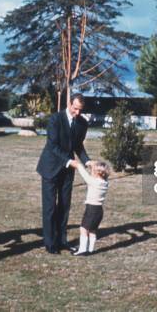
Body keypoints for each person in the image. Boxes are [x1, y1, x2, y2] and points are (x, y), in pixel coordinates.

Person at [36, 93, 91, 254]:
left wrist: (87, 161)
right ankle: (50, 243)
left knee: (64, 206)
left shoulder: (82, 123)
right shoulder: (55, 119)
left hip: (68, 171)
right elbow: (53, 146)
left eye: (80, 110)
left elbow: (78, 146)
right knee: (50, 207)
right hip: (50, 168)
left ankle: (62, 241)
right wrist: (69, 161)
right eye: (75, 109)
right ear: (68, 104)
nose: (78, 113)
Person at [73, 161, 110, 256]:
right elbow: (94, 175)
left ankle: (82, 250)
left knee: (83, 229)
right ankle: (90, 250)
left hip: (91, 210)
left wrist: (78, 165)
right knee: (93, 230)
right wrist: (93, 167)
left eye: (94, 170)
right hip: (99, 210)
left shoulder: (92, 182)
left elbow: (84, 173)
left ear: (97, 173)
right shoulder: (105, 182)